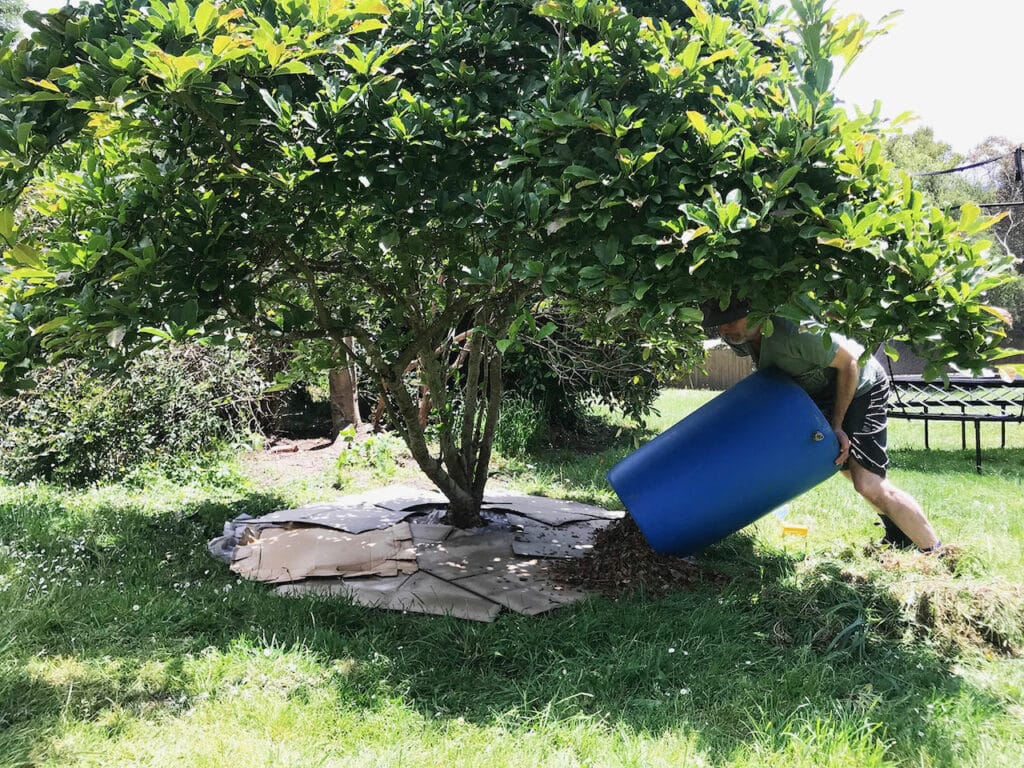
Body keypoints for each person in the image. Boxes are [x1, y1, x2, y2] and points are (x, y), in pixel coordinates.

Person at [700, 297, 943, 554]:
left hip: (861, 386)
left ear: (757, 313)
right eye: (719, 325)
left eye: (729, 322)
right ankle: (900, 535)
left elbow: (850, 363)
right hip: (823, 393)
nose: (723, 330)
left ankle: (935, 552)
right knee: (847, 468)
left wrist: (837, 425)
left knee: (868, 483)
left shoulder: (796, 332)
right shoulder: (742, 337)